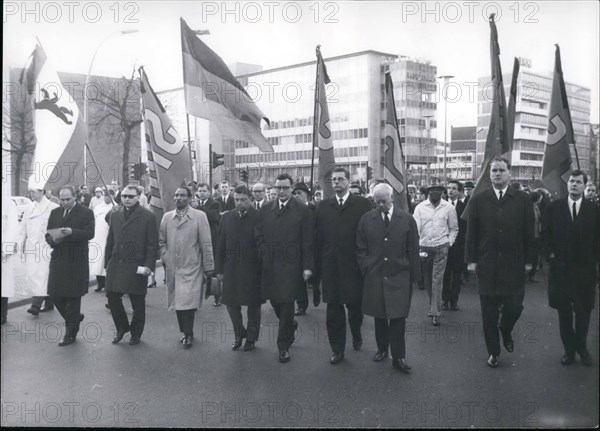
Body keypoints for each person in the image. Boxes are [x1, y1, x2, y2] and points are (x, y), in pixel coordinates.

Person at [465, 157, 535, 368]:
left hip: (514, 264)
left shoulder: (522, 199)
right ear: (489, 175)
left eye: (501, 170)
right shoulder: (478, 199)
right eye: (493, 170)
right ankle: (494, 352)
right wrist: (471, 261)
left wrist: (530, 261)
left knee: (514, 307)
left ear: (509, 173)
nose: (497, 173)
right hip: (488, 264)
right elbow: (472, 234)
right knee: (488, 314)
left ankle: (506, 329)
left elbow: (529, 233)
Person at [356, 183, 421, 373]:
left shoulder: (407, 219)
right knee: (380, 316)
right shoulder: (366, 219)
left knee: (398, 318)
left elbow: (413, 248)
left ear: (391, 198)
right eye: (376, 202)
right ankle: (382, 348)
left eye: (383, 201)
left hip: (399, 275)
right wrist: (366, 266)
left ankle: (399, 356)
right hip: (375, 274)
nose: (380, 205)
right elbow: (360, 248)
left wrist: (414, 275)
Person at [315, 167, 372, 364]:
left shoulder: (362, 205)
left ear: (348, 181)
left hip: (354, 267)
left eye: (340, 179)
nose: (336, 182)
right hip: (331, 266)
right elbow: (318, 238)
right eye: (333, 180)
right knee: (333, 309)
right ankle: (337, 349)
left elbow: (368, 235)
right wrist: (317, 268)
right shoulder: (323, 206)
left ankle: (356, 333)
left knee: (355, 307)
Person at [542, 170, 599, 366]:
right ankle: (569, 350)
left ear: (584, 186)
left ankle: (581, 347)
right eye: (571, 181)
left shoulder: (594, 210)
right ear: (567, 185)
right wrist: (550, 255)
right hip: (561, 269)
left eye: (578, 182)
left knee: (583, 311)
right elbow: (545, 235)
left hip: (585, 270)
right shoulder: (554, 208)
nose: (574, 184)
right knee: (564, 312)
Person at [255, 173, 314, 363]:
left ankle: (283, 346)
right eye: (278, 188)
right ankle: (291, 325)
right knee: (275, 302)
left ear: (291, 189)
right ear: (274, 189)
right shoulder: (266, 209)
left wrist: (307, 267)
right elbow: (258, 234)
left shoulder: (302, 211)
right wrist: (264, 251)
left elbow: (308, 241)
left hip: (292, 266)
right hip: (270, 265)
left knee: (287, 304)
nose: (281, 191)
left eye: (285, 188)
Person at [159, 187, 214, 349]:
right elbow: (161, 241)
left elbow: (206, 243)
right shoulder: (167, 217)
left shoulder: (199, 216)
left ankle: (188, 333)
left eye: (182, 195)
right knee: (178, 301)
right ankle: (184, 331)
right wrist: (165, 256)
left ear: (190, 198)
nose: (178, 198)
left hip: (192, 266)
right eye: (176, 195)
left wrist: (209, 266)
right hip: (173, 268)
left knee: (188, 302)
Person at [105, 185, 158, 346]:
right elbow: (110, 240)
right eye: (124, 196)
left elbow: (152, 244)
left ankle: (136, 333)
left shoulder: (148, 216)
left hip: (137, 264)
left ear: (138, 197)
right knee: (112, 297)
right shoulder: (115, 215)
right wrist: (107, 262)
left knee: (137, 301)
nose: (127, 199)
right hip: (117, 263)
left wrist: (149, 265)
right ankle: (122, 327)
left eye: (131, 196)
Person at [45, 185, 95, 346]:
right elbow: (48, 233)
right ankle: (73, 318)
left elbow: (89, 233)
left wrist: (71, 232)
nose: (65, 202)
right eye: (62, 199)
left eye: (68, 199)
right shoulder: (55, 212)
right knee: (54, 293)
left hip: (76, 261)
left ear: (75, 197)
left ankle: (70, 334)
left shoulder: (86, 212)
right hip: (58, 258)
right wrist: (53, 240)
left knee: (72, 297)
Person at [216, 185, 263, 351]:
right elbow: (220, 244)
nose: (239, 203)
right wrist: (219, 269)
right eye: (236, 200)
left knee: (253, 305)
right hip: (231, 268)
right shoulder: (227, 217)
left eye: (243, 200)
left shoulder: (259, 217)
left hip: (253, 269)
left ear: (250, 199)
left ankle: (251, 338)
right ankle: (238, 333)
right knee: (231, 303)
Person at [413, 182, 458, 326]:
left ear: (442, 192)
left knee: (437, 279)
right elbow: (416, 228)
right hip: (425, 247)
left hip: (441, 247)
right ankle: (433, 305)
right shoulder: (420, 208)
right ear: (427, 192)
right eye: (432, 190)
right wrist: (417, 243)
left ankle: (435, 312)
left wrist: (449, 242)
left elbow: (454, 228)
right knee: (427, 280)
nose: (435, 193)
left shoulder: (449, 208)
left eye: (438, 190)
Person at [16, 187, 59, 315]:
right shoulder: (28, 208)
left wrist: (56, 245)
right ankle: (49, 302)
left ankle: (35, 305)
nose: (31, 194)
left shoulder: (54, 207)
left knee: (44, 275)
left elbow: (57, 228)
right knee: (34, 276)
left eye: (33, 191)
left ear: (42, 192)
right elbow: (23, 229)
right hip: (32, 248)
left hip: (47, 247)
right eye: (30, 191)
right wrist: (20, 246)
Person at [291, 182, 316, 316]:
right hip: (297, 248)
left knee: (314, 277)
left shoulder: (314, 209)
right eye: (294, 193)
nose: (296, 196)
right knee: (299, 279)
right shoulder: (292, 210)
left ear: (307, 194)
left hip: (313, 246)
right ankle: (302, 304)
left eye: (299, 193)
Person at [442, 180, 467, 311]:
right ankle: (444, 300)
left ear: (459, 191)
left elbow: (466, 229)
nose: (450, 191)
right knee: (445, 275)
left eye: (454, 188)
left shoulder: (464, 208)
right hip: (444, 246)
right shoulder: (441, 207)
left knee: (457, 276)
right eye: (449, 188)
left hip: (459, 248)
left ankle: (454, 301)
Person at [196, 182, 221, 306]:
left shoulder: (214, 203)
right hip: (198, 239)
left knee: (212, 271)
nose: (201, 193)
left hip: (211, 240)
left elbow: (214, 217)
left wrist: (199, 208)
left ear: (209, 192)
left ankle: (217, 296)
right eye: (199, 191)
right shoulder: (194, 205)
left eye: (204, 191)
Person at [2, 193, 22, 324]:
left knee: (3, 284)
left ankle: (2, 314)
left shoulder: (8, 203)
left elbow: (13, 227)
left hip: (3, 251)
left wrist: (7, 249)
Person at [90, 190, 114, 292]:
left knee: (106, 259)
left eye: (109, 196)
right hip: (97, 236)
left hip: (108, 236)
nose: (107, 198)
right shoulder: (98, 207)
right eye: (105, 196)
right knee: (97, 261)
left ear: (113, 196)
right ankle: (100, 283)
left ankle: (108, 284)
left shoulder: (115, 207)